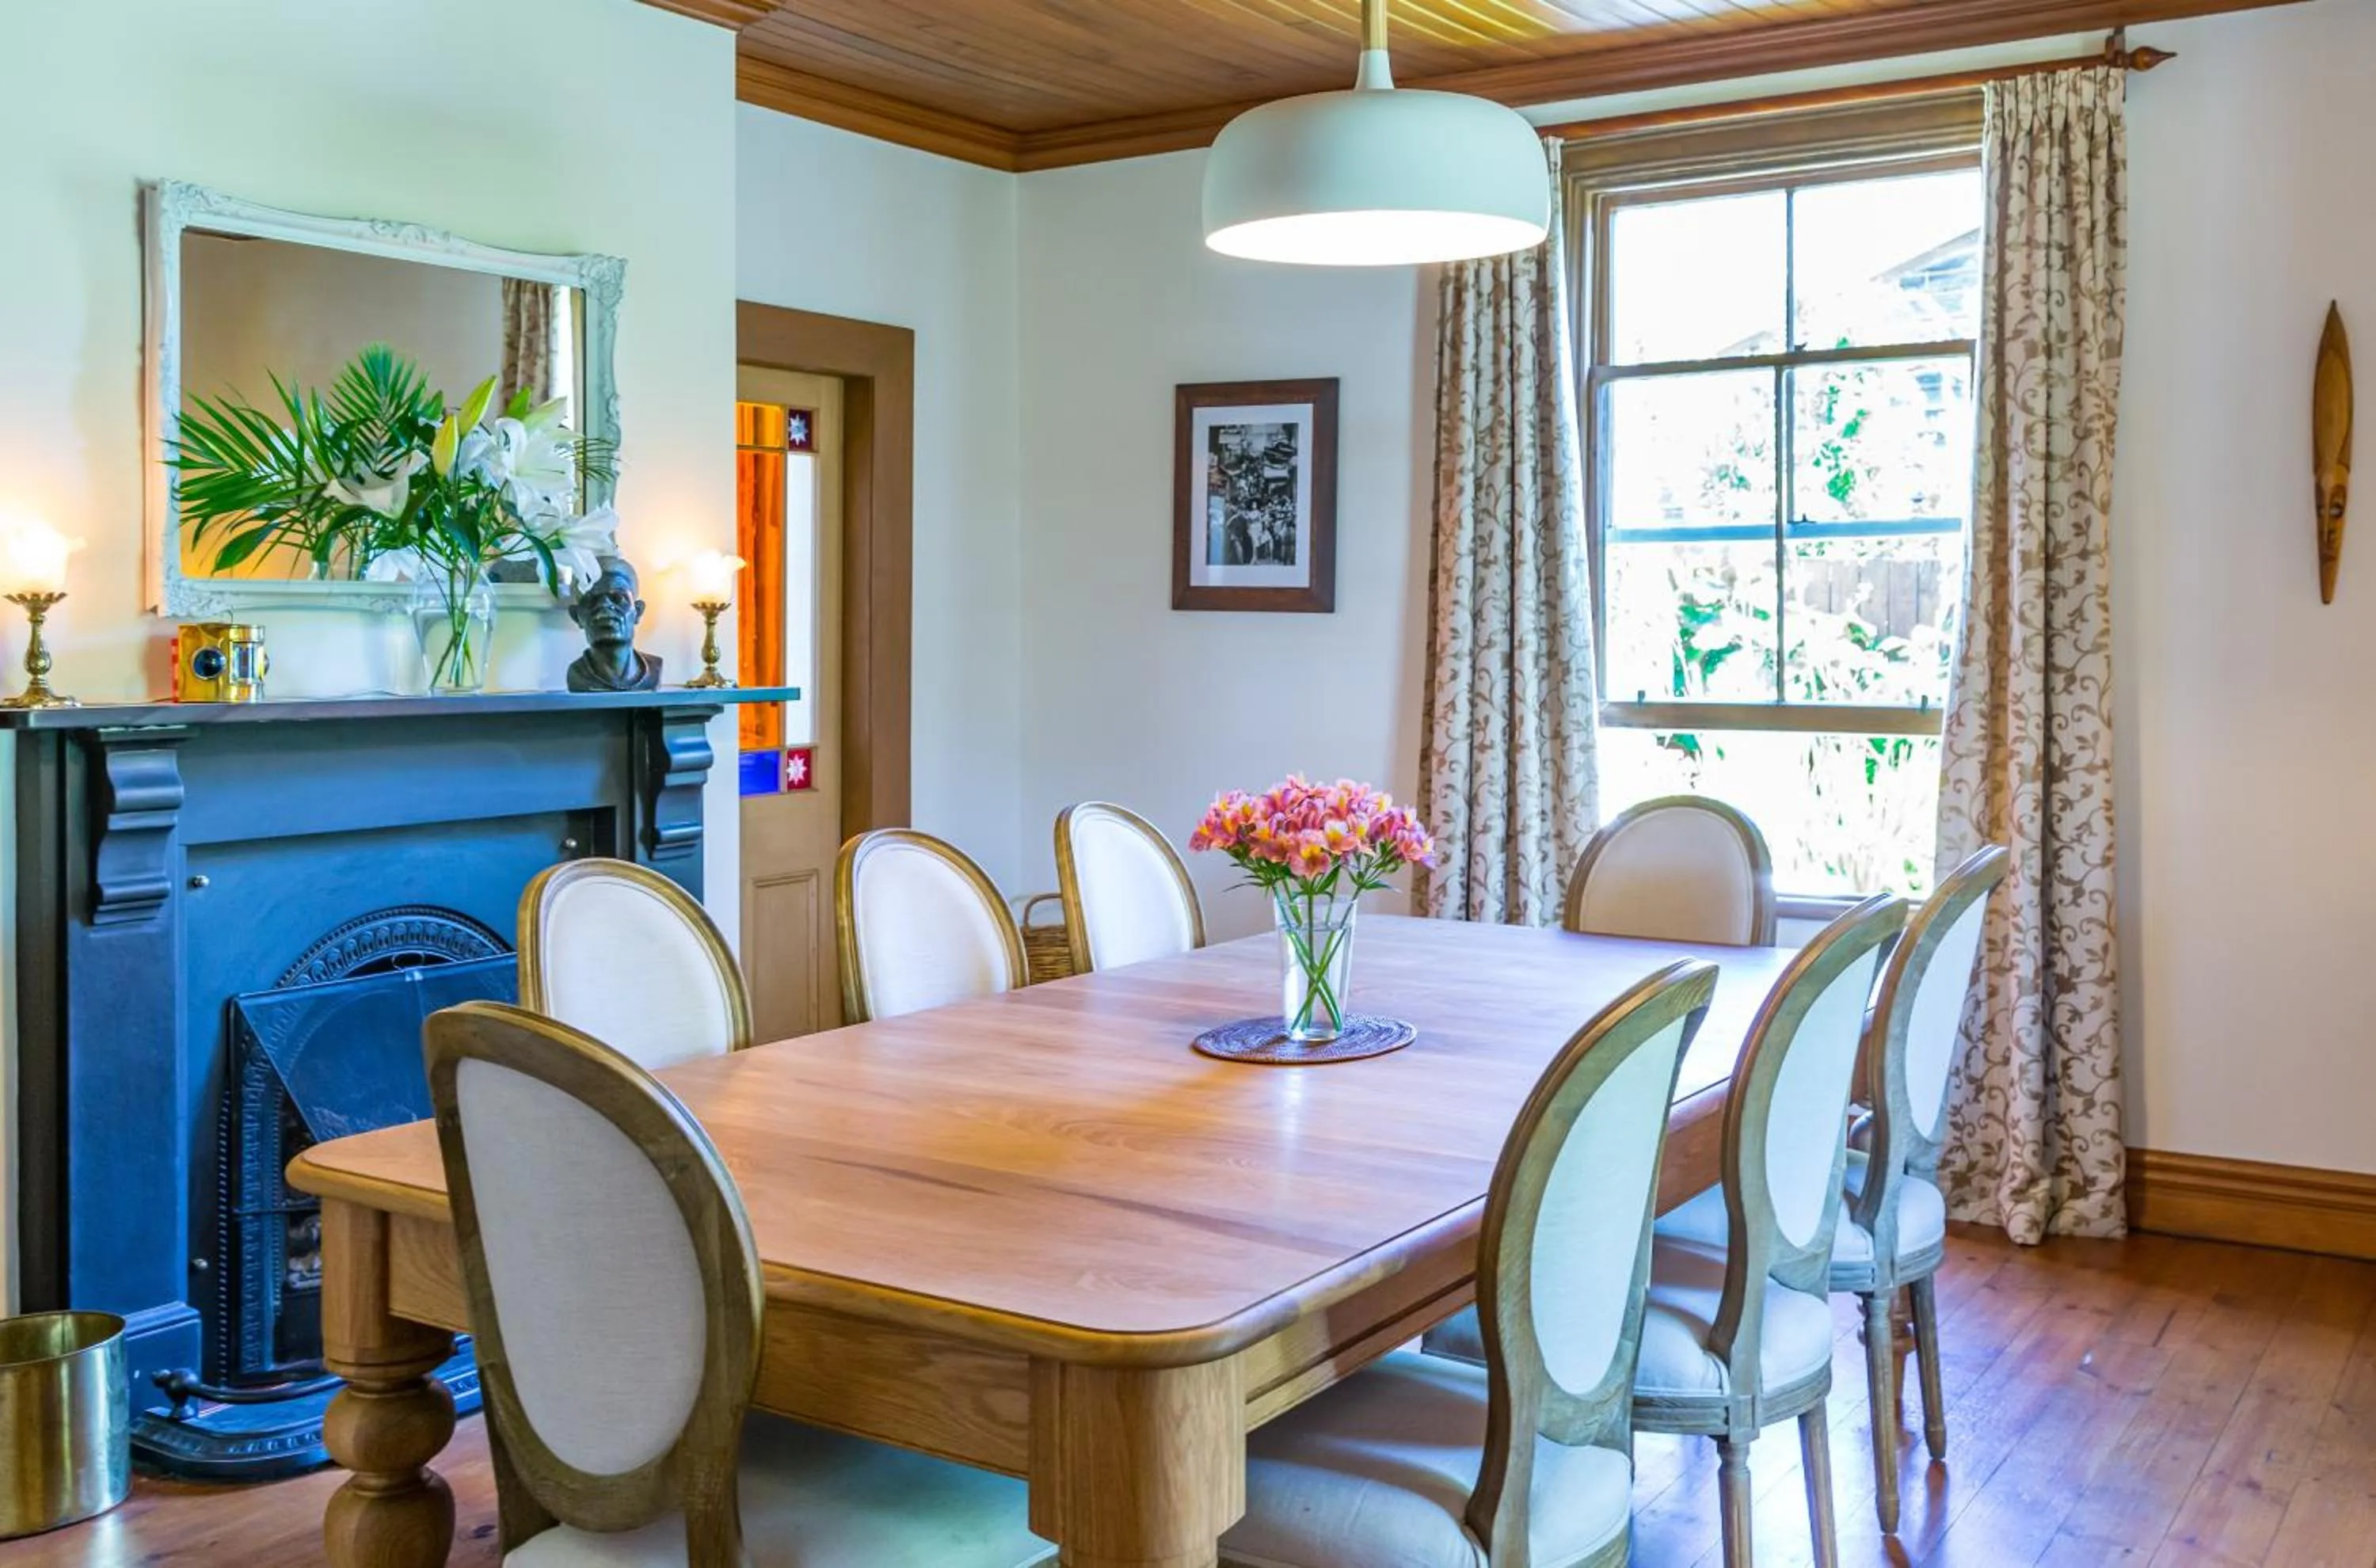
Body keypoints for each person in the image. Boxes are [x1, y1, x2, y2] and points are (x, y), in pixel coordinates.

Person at [565, 557, 664, 692]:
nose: (604, 606)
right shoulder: (577, 675)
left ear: (638, 612)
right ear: (576, 616)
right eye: (591, 600)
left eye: (618, 598)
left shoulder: (654, 668)